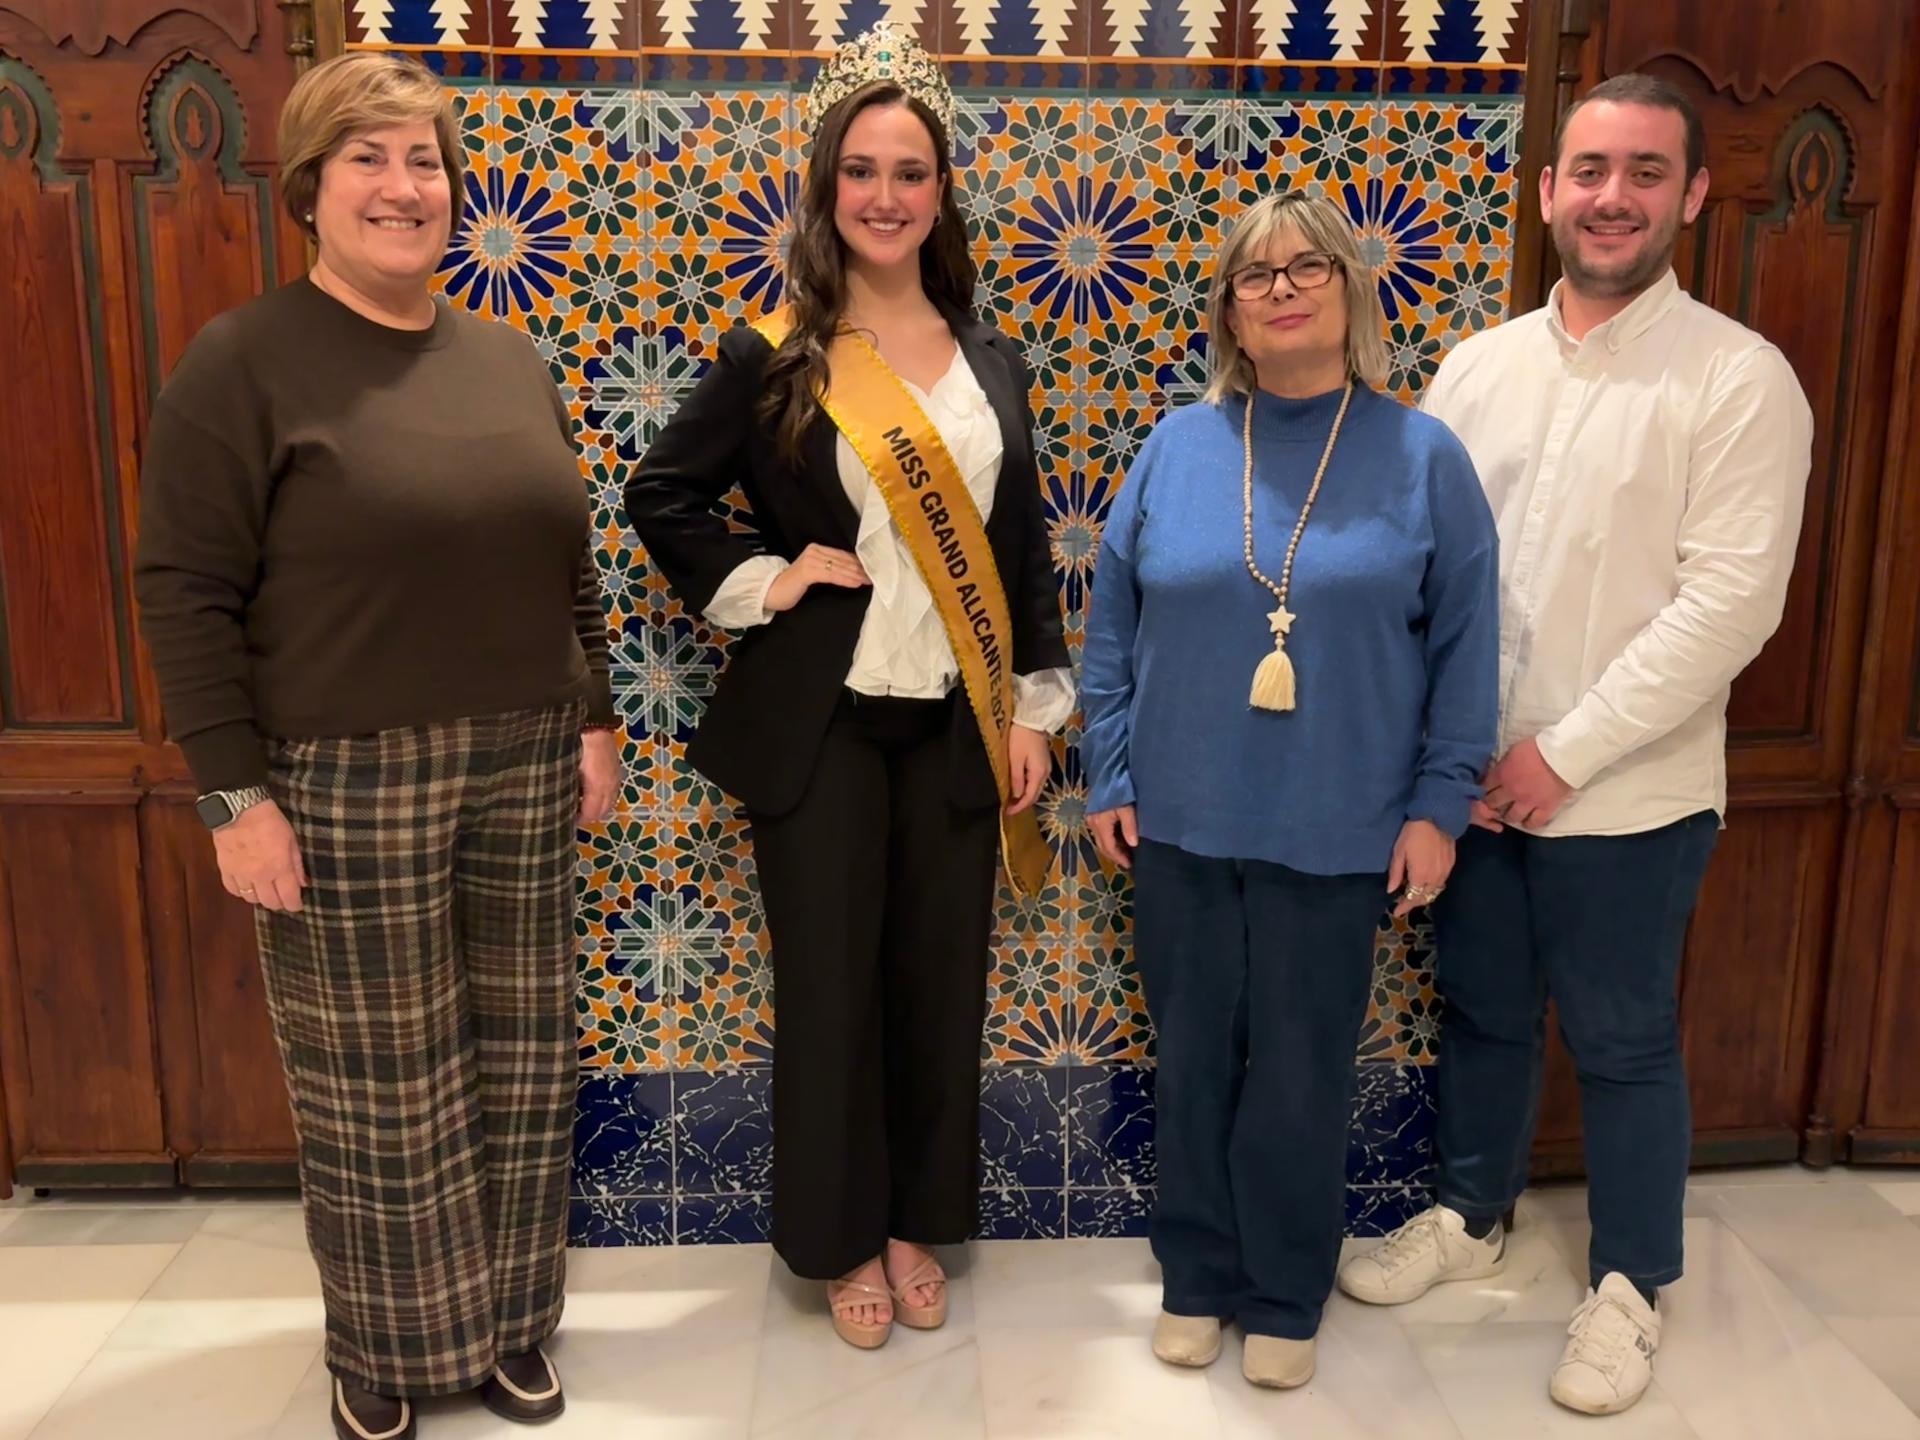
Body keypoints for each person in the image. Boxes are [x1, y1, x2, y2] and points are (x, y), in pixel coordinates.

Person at [133, 51, 620, 1440]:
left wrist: (591, 715)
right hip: (340, 778)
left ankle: (511, 1330)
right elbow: (182, 590)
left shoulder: (504, 356)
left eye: (426, 162)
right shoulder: (242, 362)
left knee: (520, 1067)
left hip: (524, 758)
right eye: (370, 159)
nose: (405, 188)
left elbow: (562, 561)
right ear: (310, 187)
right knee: (378, 1089)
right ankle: (390, 1355)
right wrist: (233, 796)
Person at [1336, 74, 1813, 1417]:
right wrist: (1441, 760)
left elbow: (1731, 605)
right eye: (1591, 169)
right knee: (1482, 1013)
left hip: (1630, 796)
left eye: (1647, 172)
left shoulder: (1734, 379)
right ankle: (1472, 1214)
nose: (1614, 196)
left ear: (1694, 197)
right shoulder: (1478, 370)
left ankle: (1626, 1288)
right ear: (1548, 191)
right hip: (1472, 790)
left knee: (1621, 1041)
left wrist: (1564, 752)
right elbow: (1424, 573)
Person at [625, 23, 1072, 1350]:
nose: (886, 195)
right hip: (819, 733)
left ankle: (910, 1222)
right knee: (831, 993)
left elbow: (1019, 549)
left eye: (912, 171)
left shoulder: (990, 361)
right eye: (862, 171)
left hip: (954, 728)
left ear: (942, 193)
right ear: (825, 189)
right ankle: (832, 1240)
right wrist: (771, 575)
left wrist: (1033, 713)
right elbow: (663, 493)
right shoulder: (778, 349)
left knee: (941, 987)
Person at [1081, 190, 1500, 1389]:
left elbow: (1469, 645)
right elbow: (1113, 627)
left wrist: (1438, 804)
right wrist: (1110, 767)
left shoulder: (1424, 457)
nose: (1281, 288)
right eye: (1254, 275)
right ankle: (1196, 1277)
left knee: (1304, 1069)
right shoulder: (1178, 443)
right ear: (1229, 310)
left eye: (1305, 265)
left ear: (1350, 289)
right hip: (1183, 816)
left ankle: (1282, 1290)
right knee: (1196, 1057)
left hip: (1342, 823)